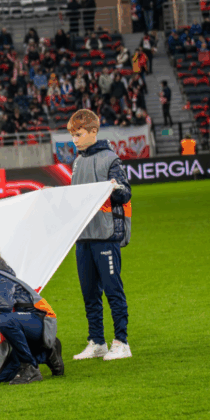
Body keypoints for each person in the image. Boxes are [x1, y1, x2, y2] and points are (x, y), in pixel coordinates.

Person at [67, 109, 133, 362]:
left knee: (113, 290)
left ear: (93, 131)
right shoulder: (77, 162)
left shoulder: (110, 159)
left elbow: (125, 194)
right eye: (73, 135)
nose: (74, 139)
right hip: (83, 236)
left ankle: (122, 342)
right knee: (89, 293)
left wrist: (115, 189)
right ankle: (97, 342)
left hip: (105, 235)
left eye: (79, 134)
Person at [0, 242, 63, 385]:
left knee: (5, 321)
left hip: (37, 320)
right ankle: (46, 353)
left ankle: (30, 368)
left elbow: (4, 306)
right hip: (25, 325)